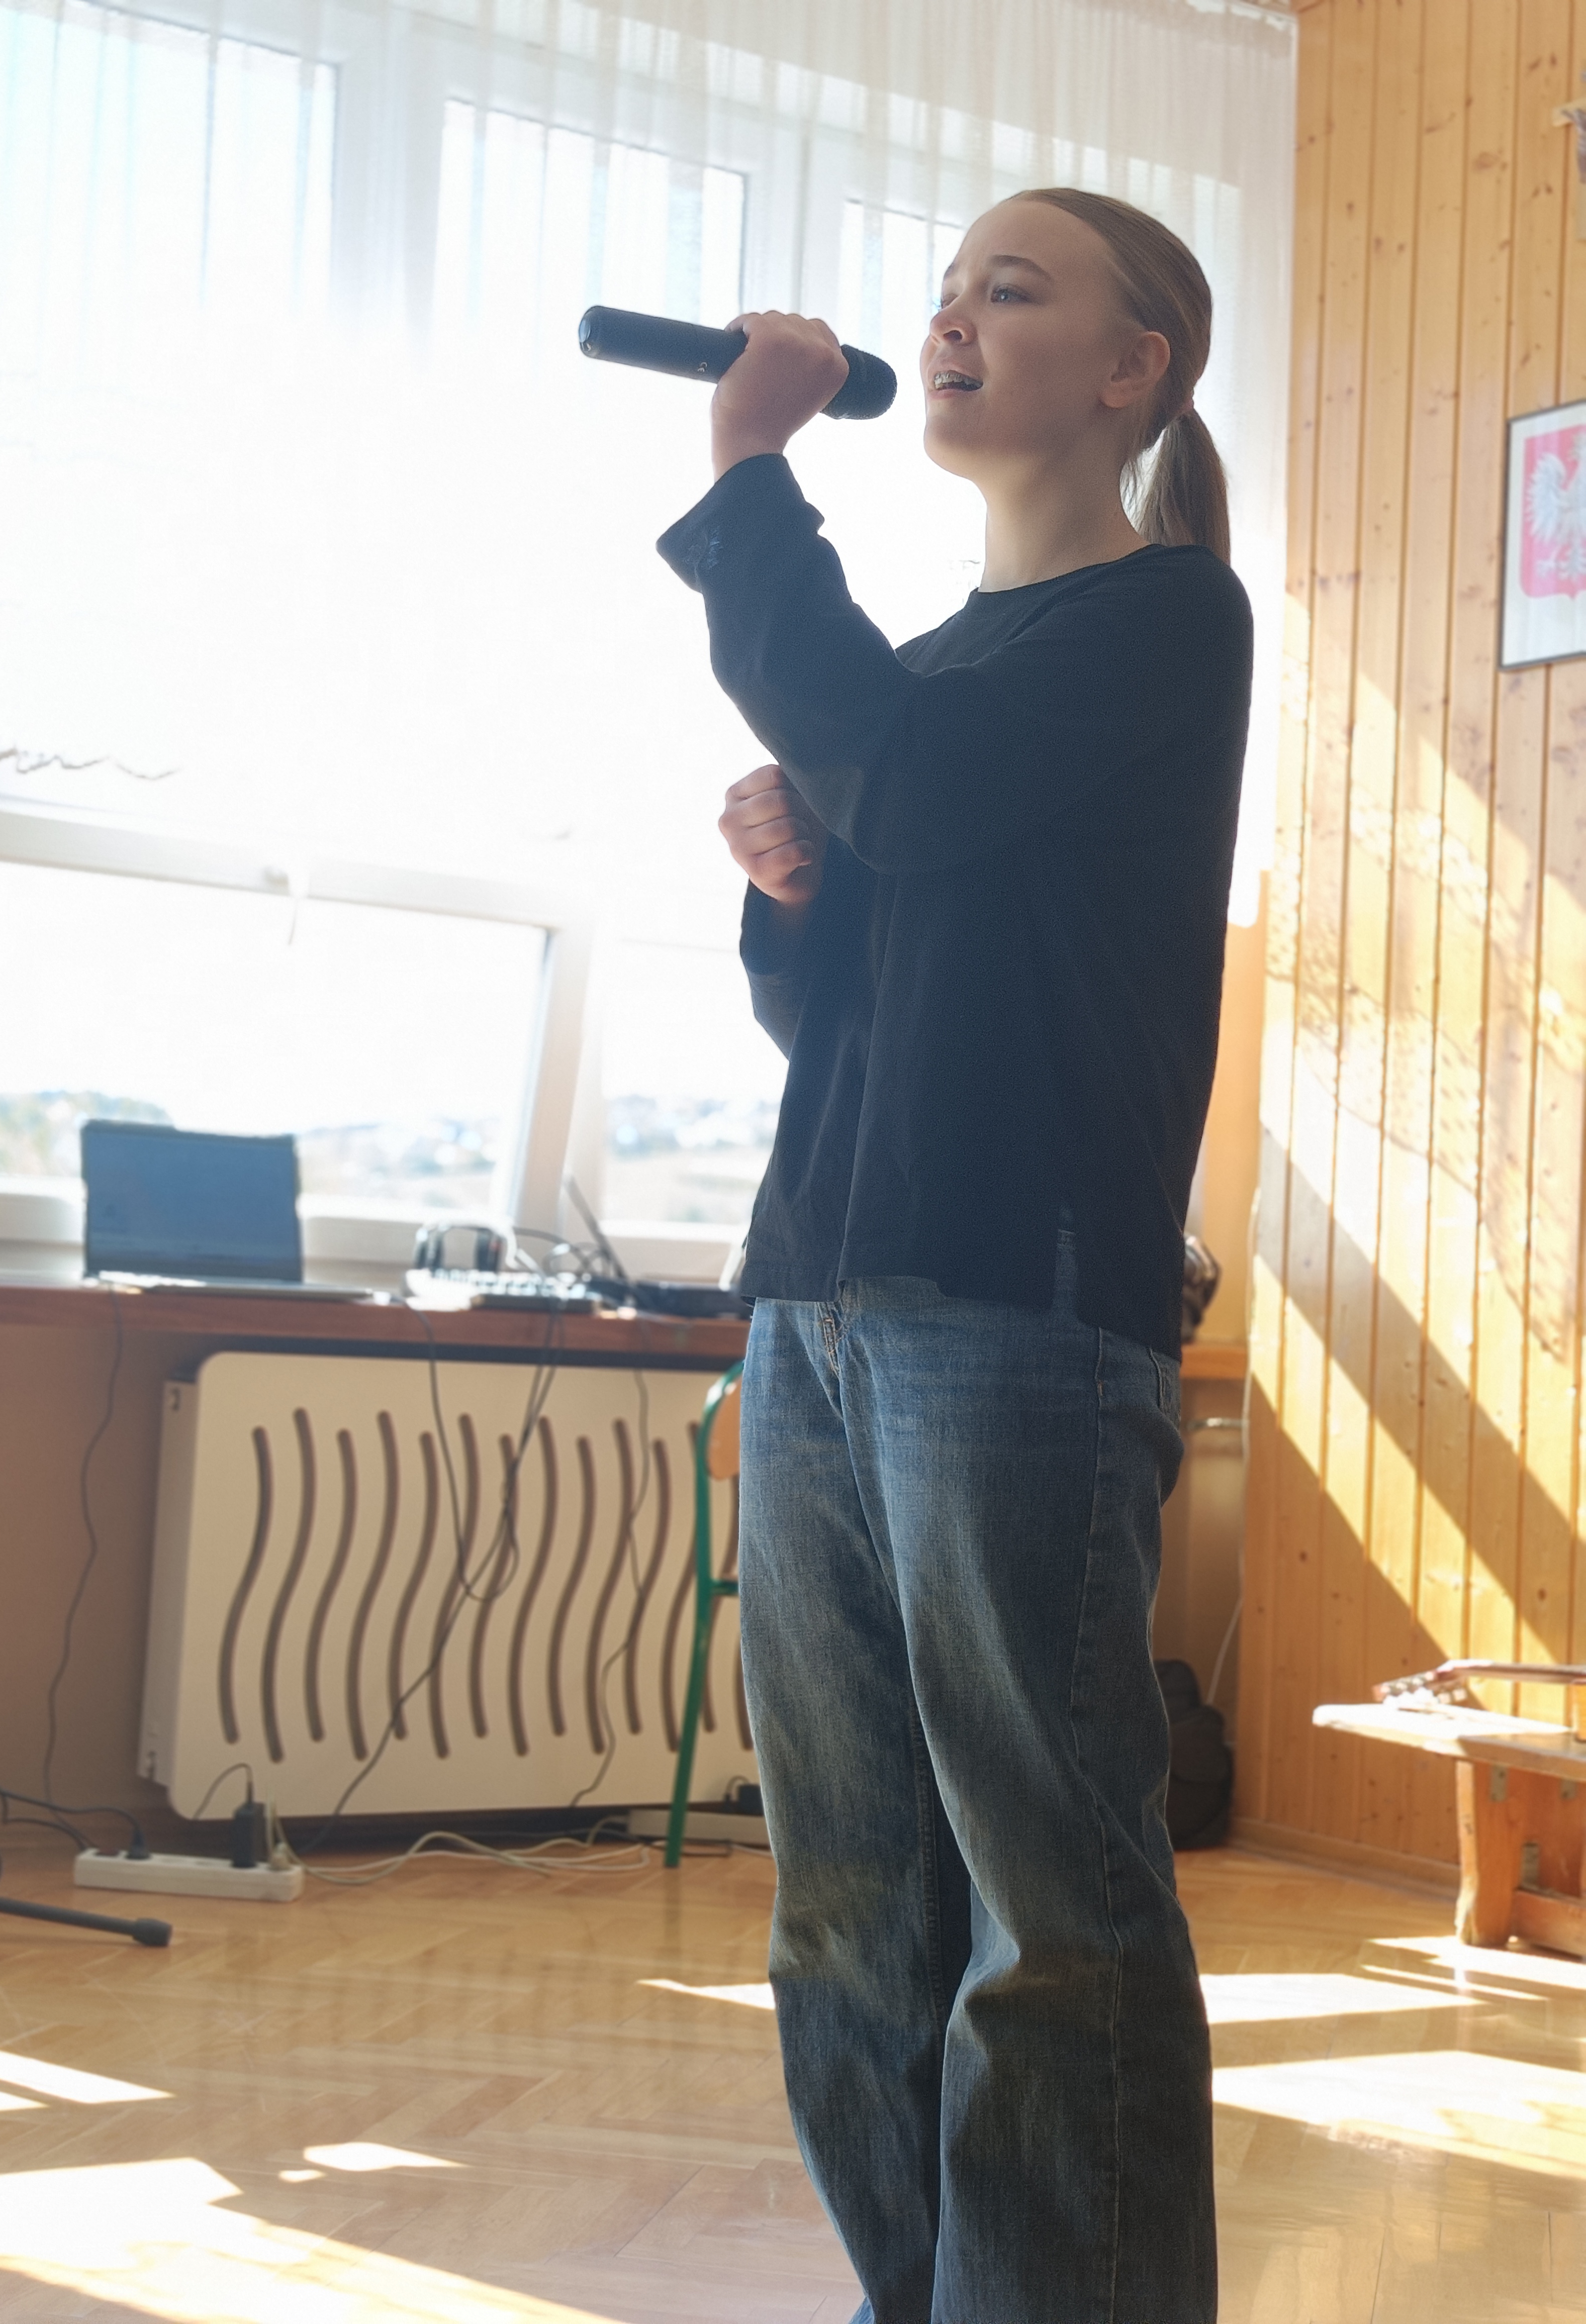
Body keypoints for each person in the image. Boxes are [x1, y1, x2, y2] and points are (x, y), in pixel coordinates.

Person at [656, 188, 1251, 2324]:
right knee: (849, 1906)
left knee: (1046, 1912)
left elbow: (904, 787)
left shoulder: (1166, 620)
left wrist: (749, 470)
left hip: (1016, 1312)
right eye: (945, 293)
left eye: (1013, 288)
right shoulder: (918, 677)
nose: (951, 320)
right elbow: (847, 1016)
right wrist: (796, 899)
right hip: (822, 1301)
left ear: (1131, 370)